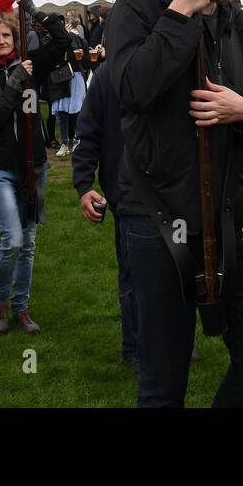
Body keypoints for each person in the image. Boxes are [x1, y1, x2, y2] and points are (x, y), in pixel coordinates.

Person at [106, 0, 243, 408]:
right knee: (164, 379)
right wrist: (180, 12)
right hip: (157, 217)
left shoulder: (240, 24)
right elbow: (134, 89)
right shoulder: (136, 7)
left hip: (234, 216)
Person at [0, 0, 70, 335]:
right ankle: (0, 300)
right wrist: (14, 82)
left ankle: (22, 307)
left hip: (34, 163)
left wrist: (33, 10)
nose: (2, 41)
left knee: (29, 242)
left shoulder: (28, 62)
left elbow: (62, 40)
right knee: (12, 240)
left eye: (7, 34)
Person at [71, 53, 138, 371]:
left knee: (178, 274)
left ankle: (176, 339)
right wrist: (84, 185)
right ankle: (134, 346)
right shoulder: (107, 75)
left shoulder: (173, 64)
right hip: (126, 194)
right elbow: (88, 133)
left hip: (175, 195)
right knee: (132, 275)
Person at [49, 21, 88, 158]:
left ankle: (77, 140)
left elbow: (86, 58)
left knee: (77, 111)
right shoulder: (53, 39)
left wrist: (79, 40)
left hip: (75, 76)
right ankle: (64, 143)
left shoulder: (76, 38)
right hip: (61, 78)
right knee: (62, 112)